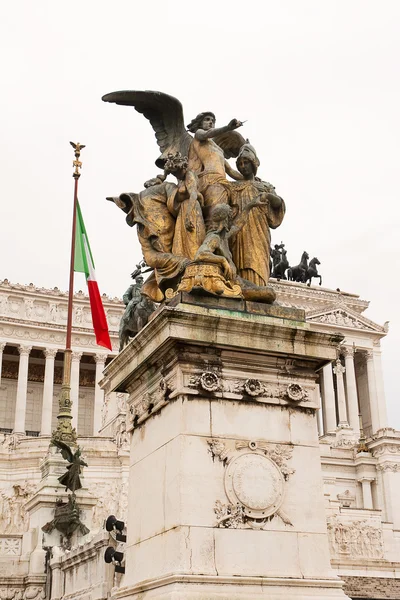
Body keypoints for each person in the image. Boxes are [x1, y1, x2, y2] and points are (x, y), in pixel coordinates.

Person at [230, 143, 286, 288]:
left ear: (253, 164)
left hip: (259, 230)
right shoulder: (234, 187)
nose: (243, 166)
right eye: (240, 163)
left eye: (246, 162)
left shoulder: (265, 186)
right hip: (240, 231)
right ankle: (245, 290)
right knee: (241, 262)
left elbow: (279, 203)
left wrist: (267, 196)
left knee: (258, 261)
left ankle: (260, 291)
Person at [187, 113, 244, 220]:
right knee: (217, 216)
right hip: (209, 179)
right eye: (207, 120)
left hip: (223, 182)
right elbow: (207, 134)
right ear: (200, 123)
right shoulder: (199, 135)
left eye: (213, 121)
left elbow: (231, 171)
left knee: (228, 214)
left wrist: (248, 179)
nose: (211, 122)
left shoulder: (219, 150)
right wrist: (227, 128)